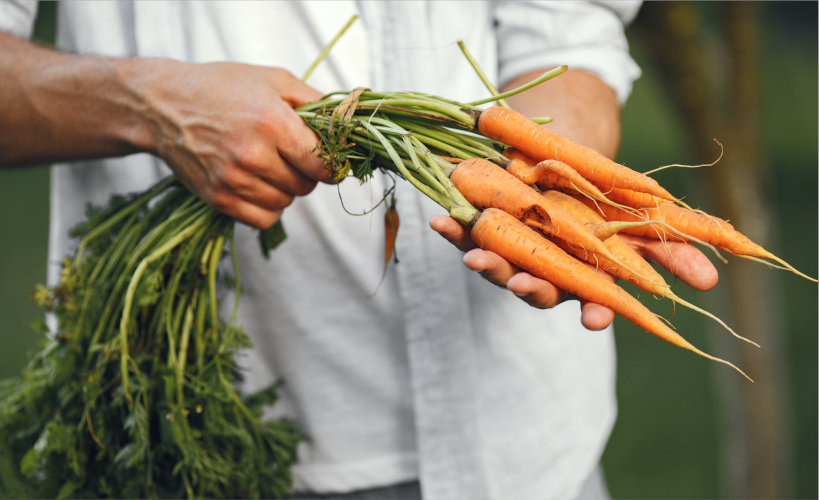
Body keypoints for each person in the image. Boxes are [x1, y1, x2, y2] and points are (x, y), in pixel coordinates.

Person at [0, 1, 718, 499]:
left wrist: (554, 180)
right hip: (236, 440)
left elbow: (567, 26)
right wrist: (149, 105)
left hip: (526, 447)